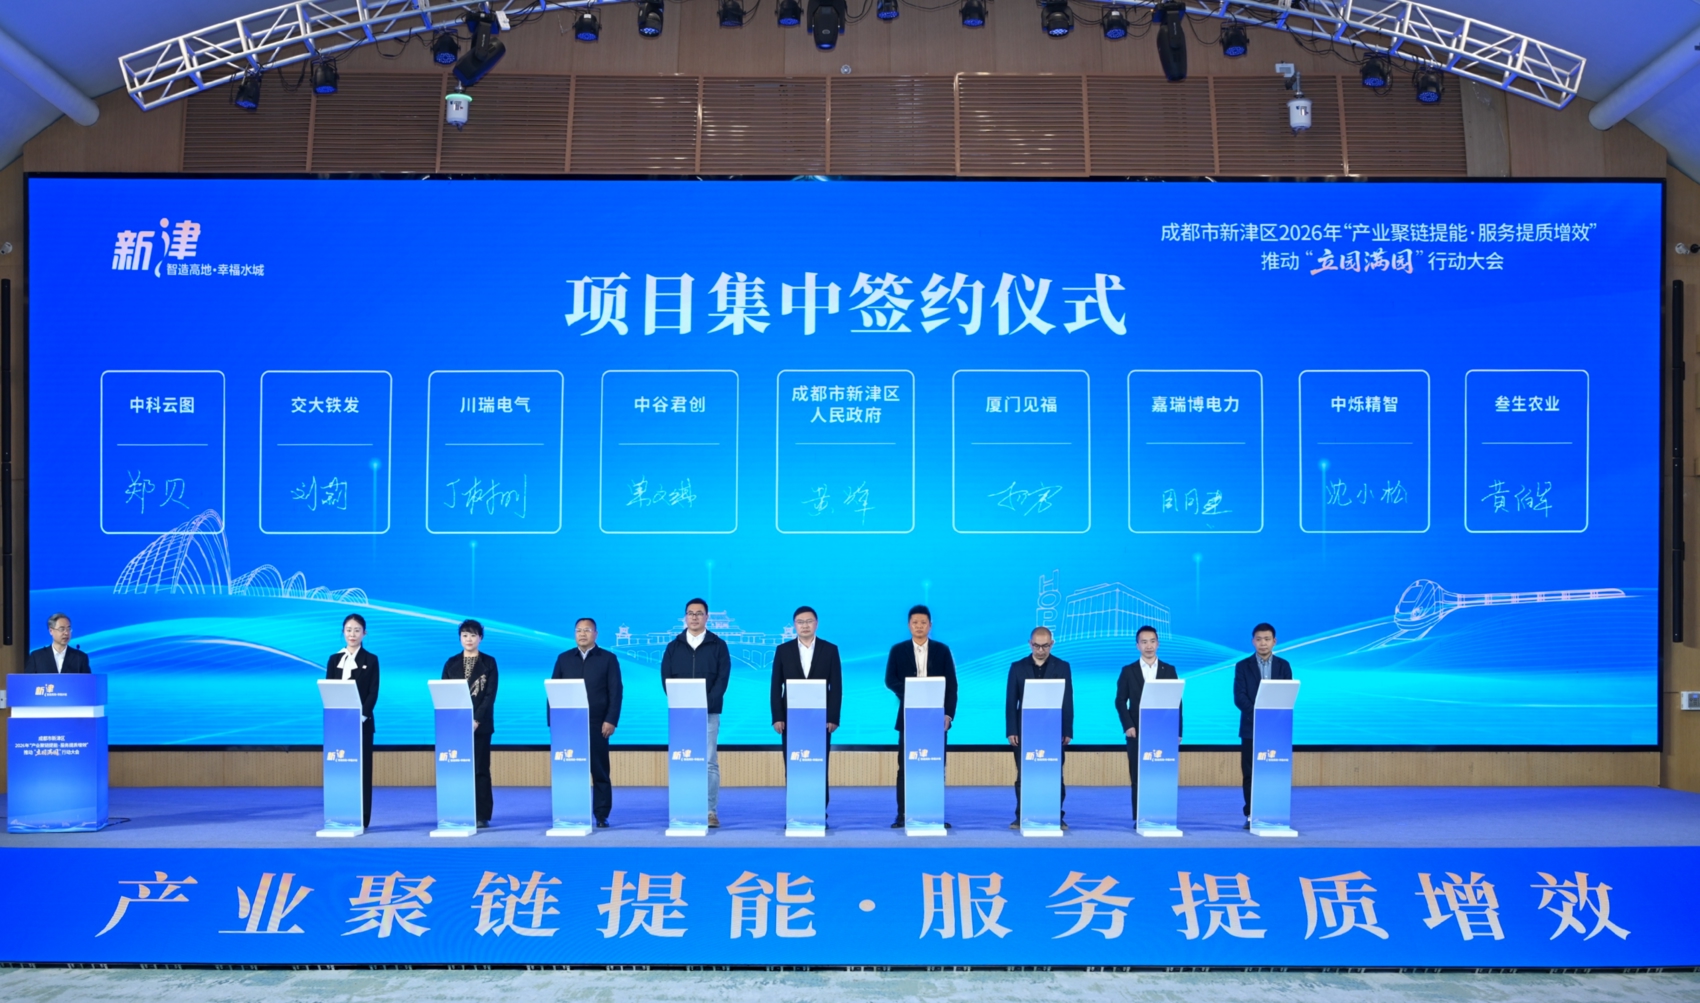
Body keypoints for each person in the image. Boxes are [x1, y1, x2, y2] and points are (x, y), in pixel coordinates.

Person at [884, 603, 957, 828]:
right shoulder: (898, 650)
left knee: (935, 766)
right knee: (905, 767)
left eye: (923, 623)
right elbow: (890, 680)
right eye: (915, 622)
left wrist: (948, 715)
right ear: (909, 625)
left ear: (930, 625)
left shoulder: (942, 650)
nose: (919, 626)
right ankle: (903, 814)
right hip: (909, 717)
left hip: (936, 718)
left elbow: (951, 686)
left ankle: (934, 814)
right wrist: (915, 691)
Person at [660, 598, 730, 828]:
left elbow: (722, 680)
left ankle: (710, 811)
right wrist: (682, 703)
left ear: (707, 617)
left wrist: (704, 704)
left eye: (699, 613)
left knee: (709, 762)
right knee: (683, 760)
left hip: (709, 713)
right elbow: (666, 678)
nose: (694, 617)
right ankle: (685, 808)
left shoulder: (718, 645)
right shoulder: (673, 646)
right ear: (685, 617)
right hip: (681, 714)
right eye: (690, 613)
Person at [551, 617, 623, 827]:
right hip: (568, 725)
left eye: (587, 630)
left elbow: (616, 692)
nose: (582, 634)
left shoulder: (608, 658)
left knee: (599, 771)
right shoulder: (564, 658)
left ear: (596, 634)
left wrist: (611, 720)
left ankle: (601, 815)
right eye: (578, 630)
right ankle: (571, 812)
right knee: (570, 770)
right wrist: (553, 723)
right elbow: (553, 691)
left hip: (597, 724)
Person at [769, 605, 843, 809]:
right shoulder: (783, 650)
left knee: (819, 763)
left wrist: (833, 717)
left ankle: (819, 810)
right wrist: (777, 716)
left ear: (816, 624)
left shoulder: (830, 650)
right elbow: (775, 686)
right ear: (794, 625)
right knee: (794, 763)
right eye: (800, 622)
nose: (805, 625)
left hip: (821, 718)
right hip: (791, 719)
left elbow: (836, 687)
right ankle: (795, 808)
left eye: (809, 621)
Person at [1005, 625, 1073, 829]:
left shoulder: (1063, 666)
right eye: (1036, 645)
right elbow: (1011, 702)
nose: (1041, 650)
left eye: (1045, 646)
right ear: (1030, 644)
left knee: (1054, 774)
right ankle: (1022, 815)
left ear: (1052, 644)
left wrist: (1067, 730)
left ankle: (1056, 815)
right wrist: (1011, 730)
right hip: (1024, 731)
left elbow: (1067, 700)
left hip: (1053, 730)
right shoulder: (1017, 667)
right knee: (1024, 774)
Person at [1114, 624, 1181, 822]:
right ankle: (1140, 817)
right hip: (1137, 731)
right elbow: (1120, 701)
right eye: (1144, 642)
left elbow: (1177, 701)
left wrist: (1178, 730)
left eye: (1152, 641)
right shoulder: (1128, 671)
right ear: (1137, 646)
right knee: (1138, 776)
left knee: (1162, 774)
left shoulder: (1169, 670)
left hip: (1164, 731)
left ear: (1158, 643)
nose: (1149, 646)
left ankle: (1163, 815)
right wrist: (1128, 725)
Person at [1233, 622, 1292, 827]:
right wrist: (1259, 716)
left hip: (1277, 730)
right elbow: (1239, 697)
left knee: (1274, 771)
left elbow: (1287, 695)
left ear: (1274, 641)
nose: (1263, 643)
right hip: (1251, 728)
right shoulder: (1242, 666)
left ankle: (1274, 812)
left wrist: (1272, 719)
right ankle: (1251, 814)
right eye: (1259, 639)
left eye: (1267, 639)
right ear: (1253, 641)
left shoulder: (1284, 666)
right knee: (1250, 773)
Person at [441, 619, 498, 828]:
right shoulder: (451, 663)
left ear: (480, 638)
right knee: (457, 769)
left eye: (473, 635)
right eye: (465, 635)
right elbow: (444, 693)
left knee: (480, 769)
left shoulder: (489, 662)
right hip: (455, 726)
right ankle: (458, 811)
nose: (469, 639)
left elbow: (490, 695)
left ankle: (482, 815)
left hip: (480, 726)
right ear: (460, 638)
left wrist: (476, 719)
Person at [325, 613, 380, 828]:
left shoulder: (371, 660)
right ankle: (339, 814)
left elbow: (373, 693)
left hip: (362, 725)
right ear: (343, 632)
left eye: (357, 630)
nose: (352, 634)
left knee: (363, 771)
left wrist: (361, 716)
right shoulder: (334, 660)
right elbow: (329, 690)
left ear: (364, 633)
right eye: (348, 630)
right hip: (338, 726)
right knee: (339, 769)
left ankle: (363, 817)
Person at [24, 612, 90, 673]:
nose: (66, 633)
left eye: (68, 629)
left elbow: (88, 681)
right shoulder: (37, 657)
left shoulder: (80, 657)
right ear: (51, 631)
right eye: (62, 629)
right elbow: (27, 680)